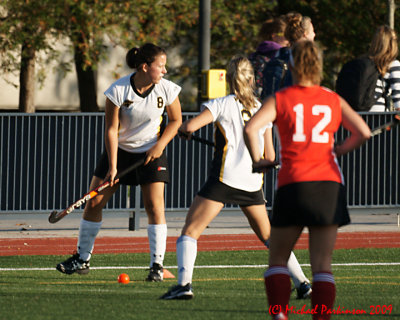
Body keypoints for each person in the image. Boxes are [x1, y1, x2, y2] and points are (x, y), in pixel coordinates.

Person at [160, 55, 311, 300]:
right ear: (252, 79)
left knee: (190, 231)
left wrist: (183, 131)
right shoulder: (262, 107)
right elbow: (269, 154)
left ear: (229, 80)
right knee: (269, 236)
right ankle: (302, 282)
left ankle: (184, 285)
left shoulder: (220, 104)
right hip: (252, 182)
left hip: (224, 178)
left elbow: (189, 127)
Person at [244, 41, 371, 320]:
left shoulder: (281, 98)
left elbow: (252, 128)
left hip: (294, 182)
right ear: (320, 66)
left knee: (278, 259)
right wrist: (339, 149)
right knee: (322, 265)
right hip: (328, 184)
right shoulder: (332, 98)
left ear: (292, 65)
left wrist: (259, 160)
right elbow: (363, 133)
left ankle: (279, 314)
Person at [56, 43, 183, 282]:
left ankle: (157, 265)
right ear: (145, 67)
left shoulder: (166, 89)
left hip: (152, 151)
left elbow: (176, 120)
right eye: (161, 66)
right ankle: (82, 259)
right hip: (120, 152)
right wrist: (113, 166)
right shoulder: (118, 90)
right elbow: (111, 130)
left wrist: (159, 145)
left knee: (154, 206)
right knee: (94, 203)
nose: (165, 71)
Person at [261, 12, 315, 100]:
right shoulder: (302, 61)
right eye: (312, 31)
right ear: (305, 34)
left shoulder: (279, 56)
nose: (314, 35)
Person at [249, 16, 289, 97]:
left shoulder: (255, 56)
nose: (289, 40)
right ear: (274, 36)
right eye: (286, 35)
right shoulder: (280, 58)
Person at [368, 25, 400, 112]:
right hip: (378, 114)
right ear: (391, 43)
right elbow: (398, 97)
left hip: (359, 114)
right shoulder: (393, 64)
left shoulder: (366, 62)